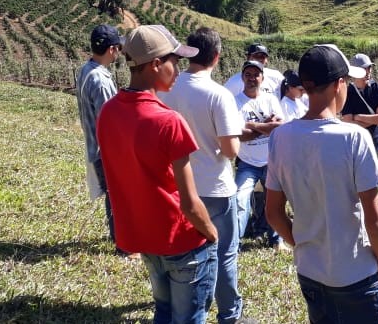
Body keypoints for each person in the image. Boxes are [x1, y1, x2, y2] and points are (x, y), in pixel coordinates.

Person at [96, 24, 219, 324]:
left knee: (163, 311)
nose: (179, 69)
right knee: (191, 317)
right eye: (174, 62)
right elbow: (189, 203)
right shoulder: (168, 122)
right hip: (181, 240)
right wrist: (212, 233)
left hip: (146, 238)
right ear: (154, 64)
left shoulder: (109, 113)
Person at [265, 44, 378, 324]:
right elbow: (375, 219)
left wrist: (302, 245)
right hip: (356, 274)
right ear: (339, 84)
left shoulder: (281, 137)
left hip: (310, 273)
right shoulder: (354, 137)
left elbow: (273, 213)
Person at [159, 27, 252, 324]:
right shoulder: (218, 95)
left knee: (183, 254)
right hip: (215, 187)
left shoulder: (167, 89)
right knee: (224, 252)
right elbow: (230, 149)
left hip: (177, 187)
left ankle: (179, 307)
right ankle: (229, 313)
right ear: (217, 57)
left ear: (189, 53)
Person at [340, 53, 378, 239]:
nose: (368, 72)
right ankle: (362, 226)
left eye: (369, 68)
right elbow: (347, 121)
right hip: (358, 145)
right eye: (364, 68)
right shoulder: (349, 92)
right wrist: (372, 118)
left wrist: (359, 117)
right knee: (359, 186)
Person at [75, 24, 123, 251]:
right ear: (112, 49)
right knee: (118, 195)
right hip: (106, 149)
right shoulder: (101, 80)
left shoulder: (85, 69)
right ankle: (123, 244)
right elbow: (110, 120)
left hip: (94, 145)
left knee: (113, 194)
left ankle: (118, 237)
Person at [233, 60, 284, 246]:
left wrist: (251, 125)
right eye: (248, 75)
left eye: (256, 75)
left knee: (275, 201)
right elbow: (241, 135)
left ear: (262, 78)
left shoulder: (270, 99)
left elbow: (278, 127)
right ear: (242, 77)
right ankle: (235, 243)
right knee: (239, 199)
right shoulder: (235, 102)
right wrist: (265, 125)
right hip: (248, 162)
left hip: (270, 161)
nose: (252, 78)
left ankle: (276, 240)